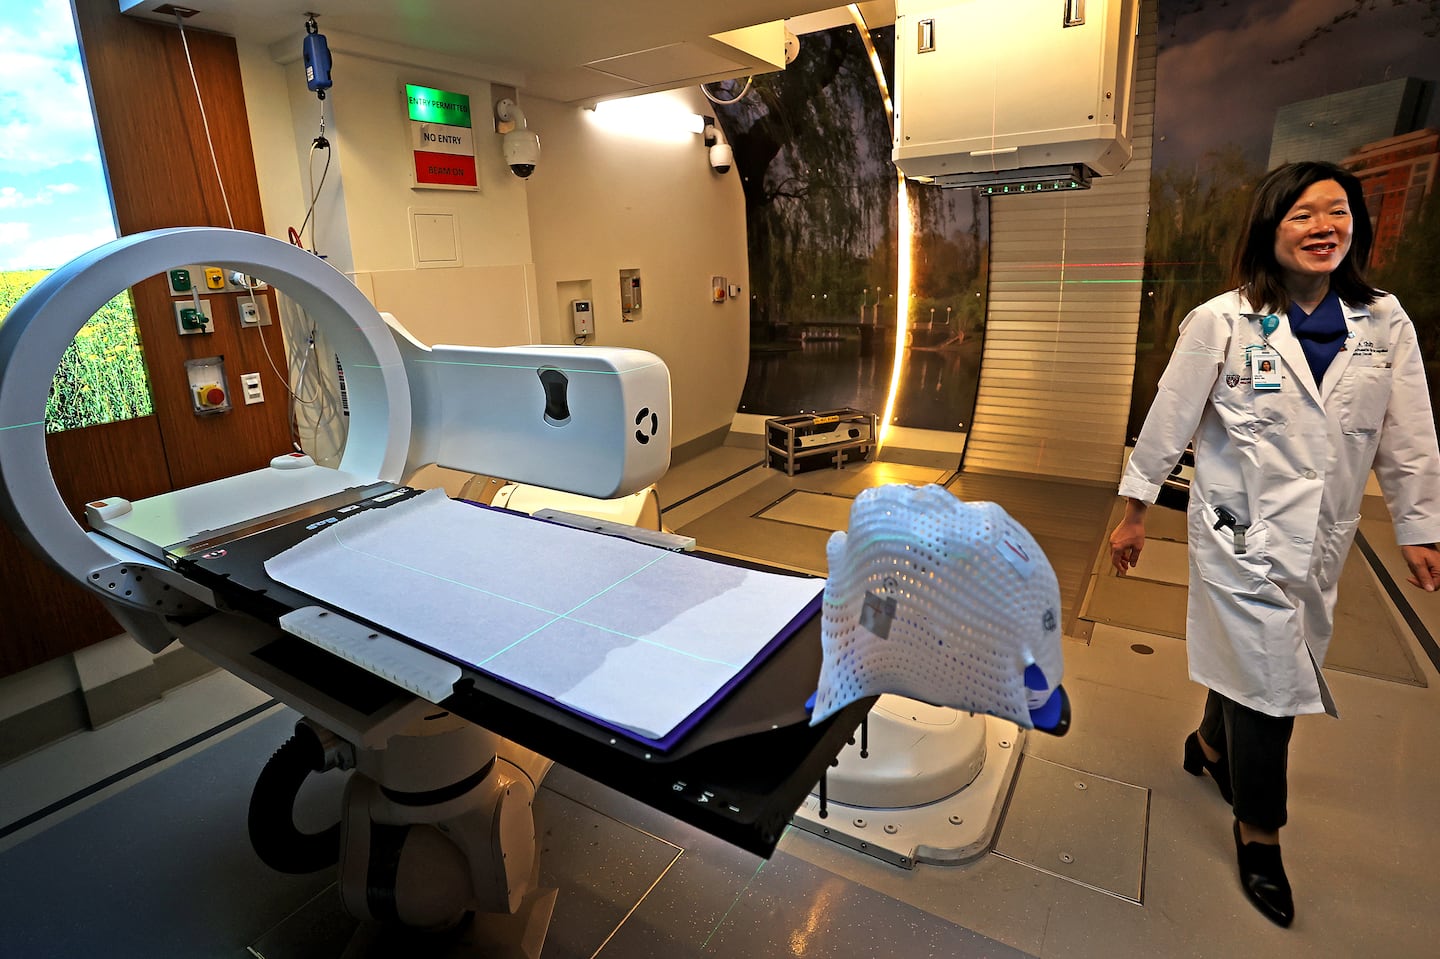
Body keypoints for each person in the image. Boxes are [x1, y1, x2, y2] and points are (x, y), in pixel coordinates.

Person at [1109, 160, 1440, 928]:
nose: (1324, 226)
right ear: (1270, 227)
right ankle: (1261, 833)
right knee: (1272, 679)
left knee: (1263, 662)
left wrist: (1420, 526)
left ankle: (1209, 747)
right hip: (1239, 537)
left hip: (1322, 541)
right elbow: (1169, 421)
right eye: (1303, 214)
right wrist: (1133, 511)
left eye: (1338, 212)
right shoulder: (1223, 321)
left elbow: (1410, 437)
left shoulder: (1385, 324)